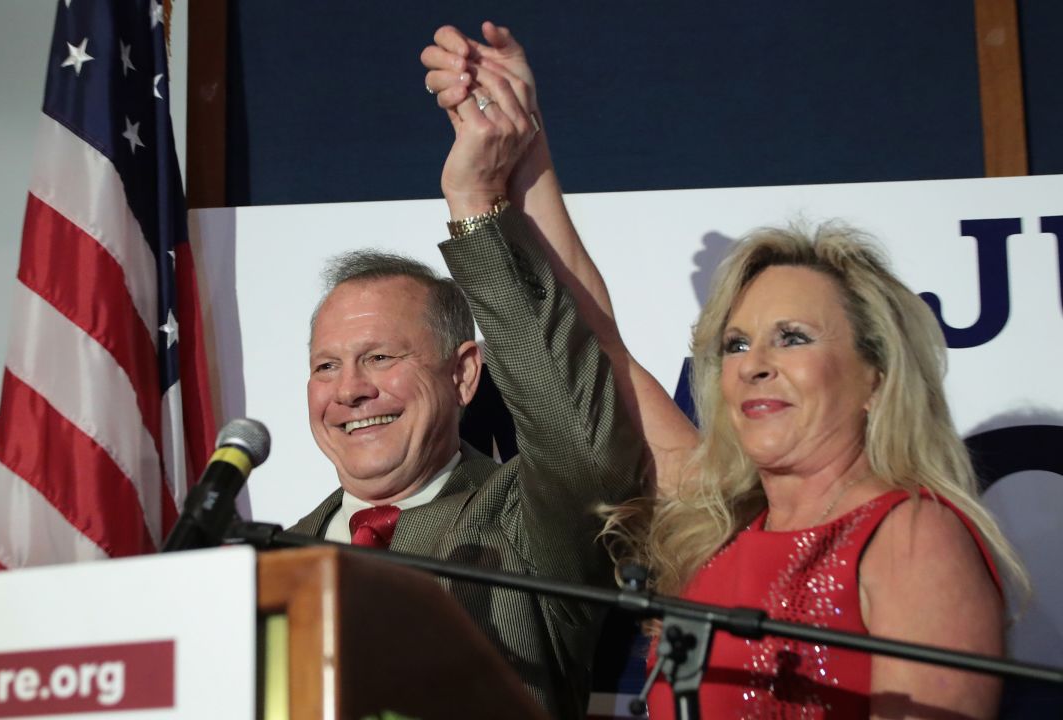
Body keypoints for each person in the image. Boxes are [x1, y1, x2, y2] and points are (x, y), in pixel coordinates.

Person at [421, 22, 1029, 719]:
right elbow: (600, 346)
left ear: (878, 376)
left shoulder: (913, 535)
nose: (755, 367)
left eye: (791, 338)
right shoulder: (721, 523)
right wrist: (519, 147)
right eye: (735, 346)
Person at [289, 62, 648, 718]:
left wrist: (475, 199)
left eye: (379, 357)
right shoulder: (273, 557)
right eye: (326, 367)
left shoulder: (524, 520)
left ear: (462, 374)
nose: (350, 391)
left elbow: (575, 431)